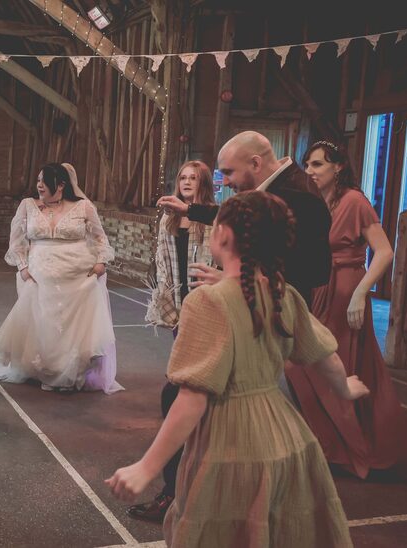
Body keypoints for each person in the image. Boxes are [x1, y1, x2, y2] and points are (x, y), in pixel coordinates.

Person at [107, 191, 367, 548]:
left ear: (224, 235)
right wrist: (346, 389)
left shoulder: (207, 301)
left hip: (230, 445)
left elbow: (193, 395)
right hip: (288, 438)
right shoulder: (283, 293)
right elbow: (326, 358)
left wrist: (148, 467)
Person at [285, 141, 407, 478]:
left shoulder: (355, 202)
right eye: (308, 164)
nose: (311, 171)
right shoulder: (314, 202)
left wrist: (362, 293)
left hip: (347, 288)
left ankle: (346, 449)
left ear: (339, 168)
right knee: (298, 365)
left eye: (318, 164)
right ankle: (327, 443)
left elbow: (385, 251)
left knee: (335, 365)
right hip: (317, 287)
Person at [0, 163, 122, 394]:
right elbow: (16, 241)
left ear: (61, 185)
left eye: (43, 181)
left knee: (71, 327)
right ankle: (42, 369)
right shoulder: (28, 205)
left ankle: (69, 372)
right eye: (38, 180)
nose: (39, 185)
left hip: (78, 278)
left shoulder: (84, 207)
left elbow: (100, 239)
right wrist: (23, 267)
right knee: (43, 324)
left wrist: (100, 263)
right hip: (39, 277)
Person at [131, 160, 217, 522]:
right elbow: (166, 268)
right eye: (182, 177)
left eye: (192, 178)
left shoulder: (215, 218)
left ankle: (181, 489)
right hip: (181, 308)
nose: (185, 182)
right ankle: (178, 488)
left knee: (181, 392)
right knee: (179, 389)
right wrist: (171, 308)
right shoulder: (168, 221)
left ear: (205, 183)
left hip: (210, 308)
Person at [157, 131, 332, 307]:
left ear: (256, 163)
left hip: (277, 318)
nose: (224, 182)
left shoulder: (301, 197)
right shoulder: (272, 188)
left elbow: (314, 272)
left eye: (229, 172)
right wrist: (188, 210)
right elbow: (238, 215)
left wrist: (233, 281)